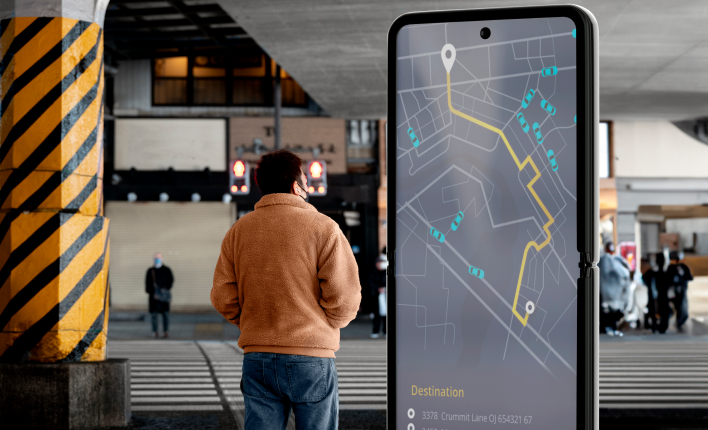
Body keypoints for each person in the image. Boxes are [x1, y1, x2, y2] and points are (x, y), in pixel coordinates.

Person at [211, 149, 361, 430]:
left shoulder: (239, 230)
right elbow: (345, 298)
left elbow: (223, 296)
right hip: (312, 356)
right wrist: (329, 324)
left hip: (257, 357)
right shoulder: (324, 228)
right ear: (296, 186)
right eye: (305, 179)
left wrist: (252, 323)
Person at [598, 241, 630, 336]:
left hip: (605, 293)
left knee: (606, 312)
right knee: (611, 312)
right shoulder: (618, 262)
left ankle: (606, 327)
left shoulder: (605, 261)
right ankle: (610, 327)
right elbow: (626, 276)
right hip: (615, 294)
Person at [145, 252, 173, 338]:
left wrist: (165, 290)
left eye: (159, 258)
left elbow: (171, 281)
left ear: (162, 259)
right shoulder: (150, 271)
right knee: (154, 315)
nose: (157, 259)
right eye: (156, 258)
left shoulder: (167, 270)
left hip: (164, 297)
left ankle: (165, 331)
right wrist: (153, 293)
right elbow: (147, 284)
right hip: (153, 298)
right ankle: (155, 331)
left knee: (165, 315)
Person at [642, 252, 670, 333]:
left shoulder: (661, 274)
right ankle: (655, 325)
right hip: (657, 298)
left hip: (660, 298)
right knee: (655, 310)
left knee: (659, 310)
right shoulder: (653, 273)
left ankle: (657, 326)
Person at [667, 251, 693, 332]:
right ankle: (679, 323)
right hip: (678, 291)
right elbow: (690, 278)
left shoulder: (673, 268)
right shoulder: (678, 267)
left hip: (678, 291)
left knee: (681, 308)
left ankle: (679, 323)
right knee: (680, 307)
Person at [369, 252, 387, 338]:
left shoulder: (386, 273)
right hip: (376, 296)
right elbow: (370, 283)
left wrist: (384, 288)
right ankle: (375, 331)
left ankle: (385, 331)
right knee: (377, 314)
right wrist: (378, 289)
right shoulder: (373, 272)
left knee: (386, 314)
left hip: (385, 295)